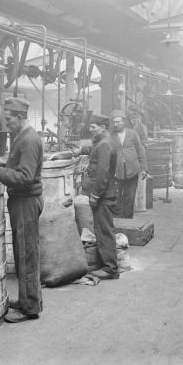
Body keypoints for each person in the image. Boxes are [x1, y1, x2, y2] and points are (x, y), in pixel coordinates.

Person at [0, 97, 44, 324]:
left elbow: (25, 177)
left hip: (26, 201)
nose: (6, 124)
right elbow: (19, 168)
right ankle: (31, 299)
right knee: (24, 252)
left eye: (9, 119)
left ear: (20, 117)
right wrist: (2, 165)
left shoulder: (28, 140)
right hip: (23, 201)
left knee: (26, 253)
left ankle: (29, 308)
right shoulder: (23, 135)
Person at [75, 114, 119, 280]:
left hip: (103, 195)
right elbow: (93, 150)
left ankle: (111, 269)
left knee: (105, 230)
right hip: (102, 194)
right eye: (90, 126)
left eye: (94, 127)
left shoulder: (105, 144)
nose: (91, 129)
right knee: (100, 230)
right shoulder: (102, 142)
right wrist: (79, 150)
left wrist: (95, 194)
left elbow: (103, 173)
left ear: (103, 127)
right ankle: (103, 264)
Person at [110, 110, 148, 218]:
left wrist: (144, 168)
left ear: (124, 121)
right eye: (114, 122)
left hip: (132, 171)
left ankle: (128, 223)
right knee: (116, 199)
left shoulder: (132, 134)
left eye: (118, 122)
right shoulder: (110, 136)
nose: (116, 124)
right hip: (117, 173)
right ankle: (118, 225)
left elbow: (140, 151)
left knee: (129, 199)